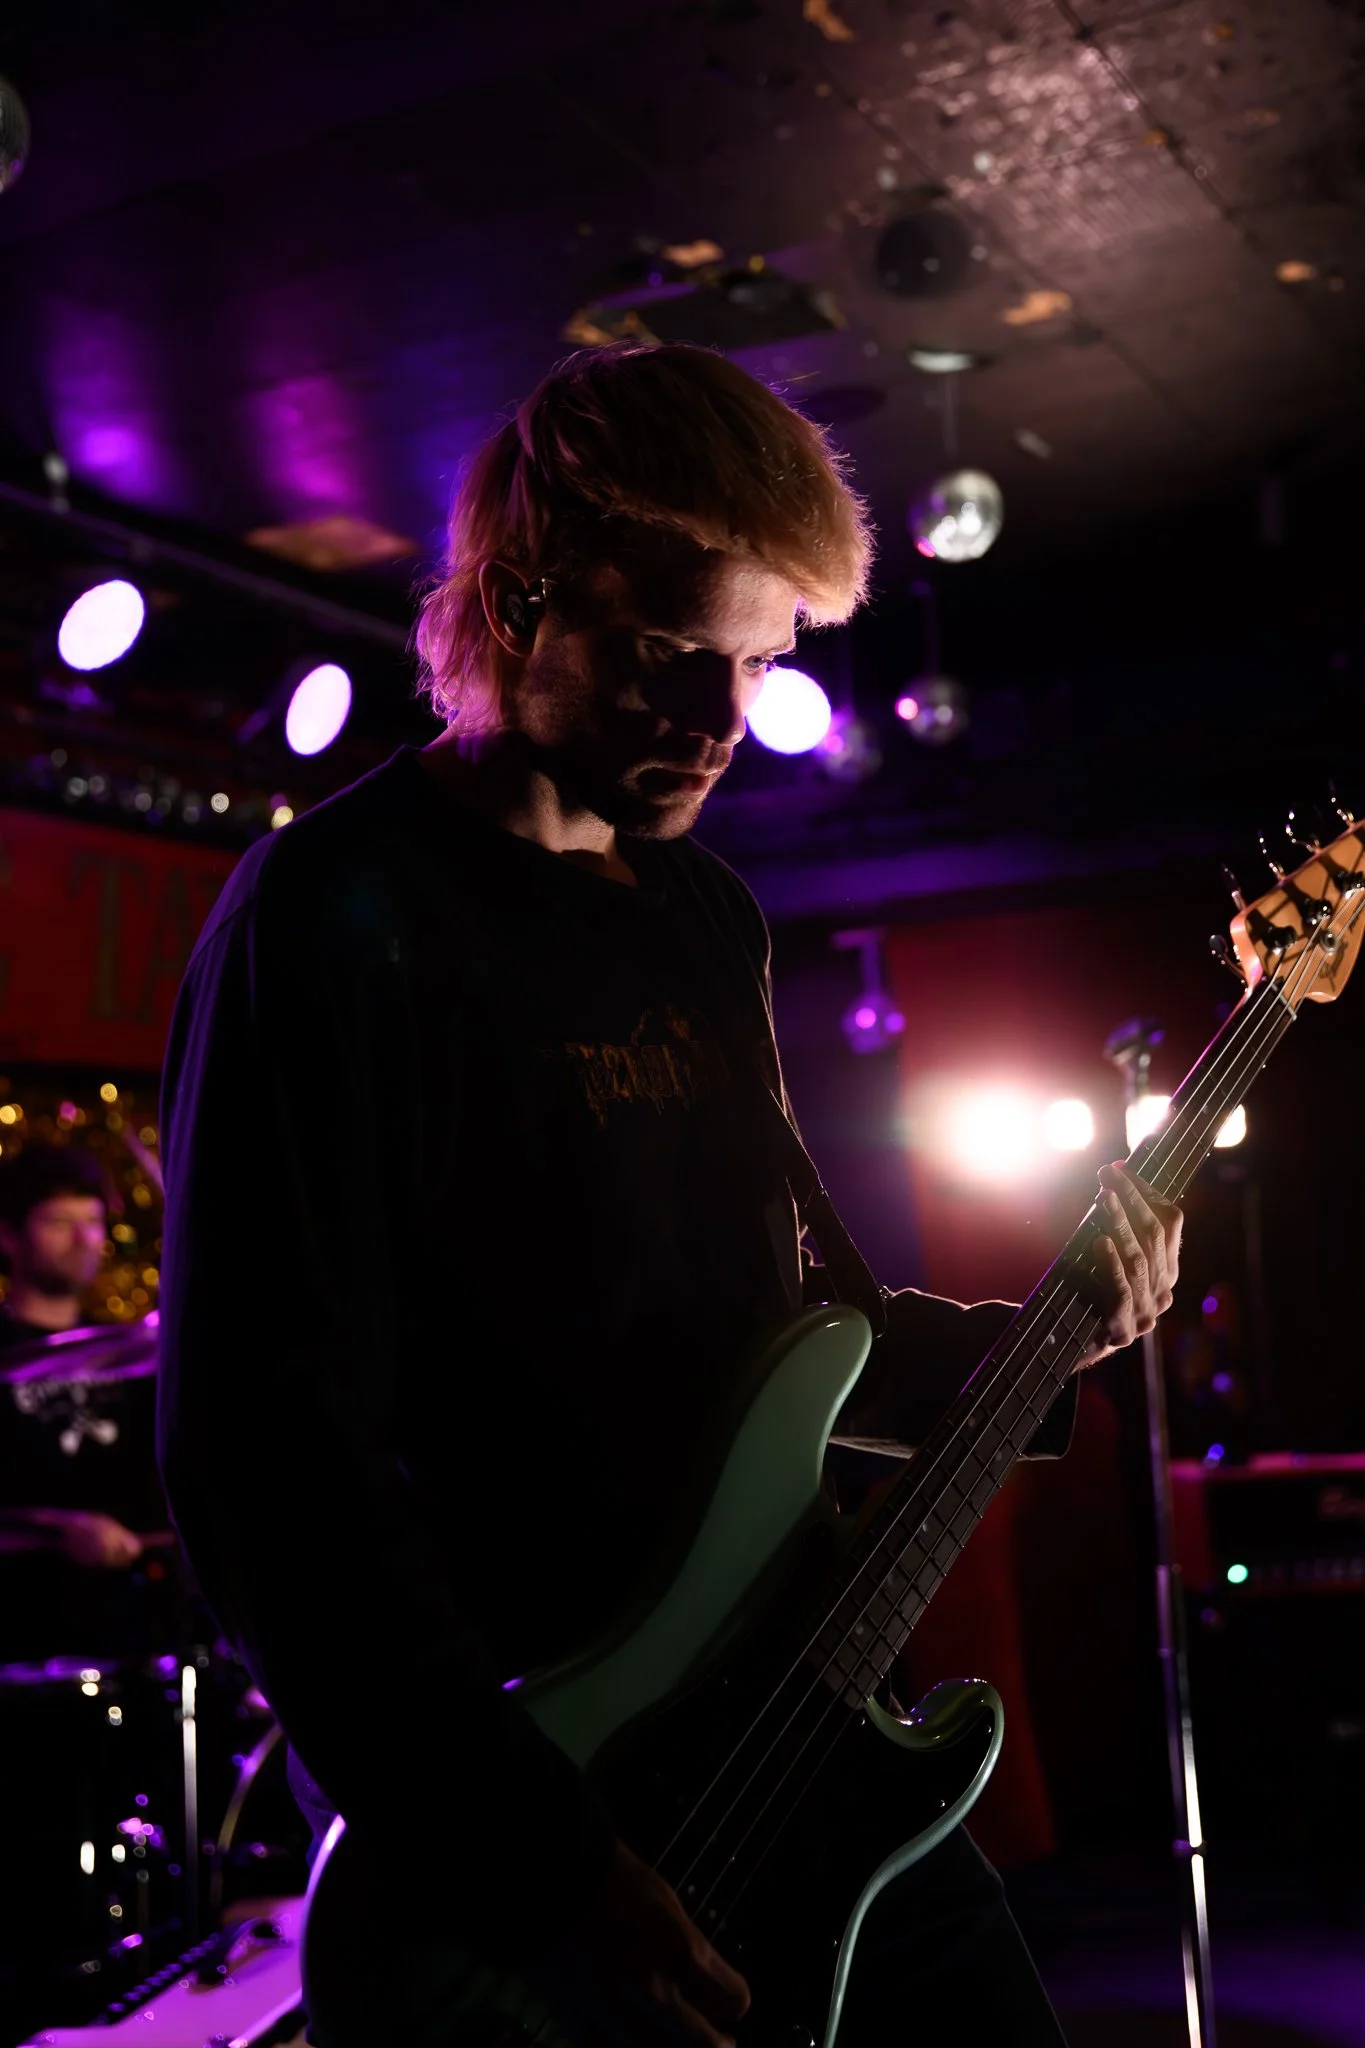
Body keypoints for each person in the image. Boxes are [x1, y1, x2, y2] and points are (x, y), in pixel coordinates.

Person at [157, 344, 1182, 2047]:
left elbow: (786, 1335)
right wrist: (540, 1866)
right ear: (519, 600)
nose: (722, 720)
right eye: (667, 654)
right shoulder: (328, 913)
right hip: (558, 1797)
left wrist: (1051, 1334)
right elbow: (266, 1453)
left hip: (800, 1717)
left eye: (761, 662)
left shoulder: (700, 912)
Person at [0, 1141, 145, 1575]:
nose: (84, 1240)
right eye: (60, 1222)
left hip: (133, 1605)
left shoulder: (130, 1351)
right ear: (8, 1236)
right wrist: (56, 1530)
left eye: (93, 1221)